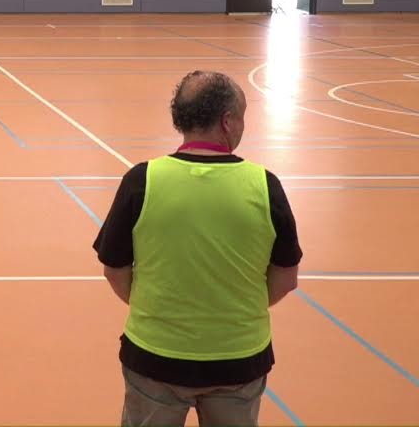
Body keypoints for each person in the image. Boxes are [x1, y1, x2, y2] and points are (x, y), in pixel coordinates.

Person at [92, 70, 302, 427]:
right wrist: (233, 306)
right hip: (239, 359)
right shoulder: (266, 187)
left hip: (154, 357)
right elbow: (285, 278)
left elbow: (114, 269)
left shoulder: (141, 181)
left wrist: (154, 305)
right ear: (227, 121)